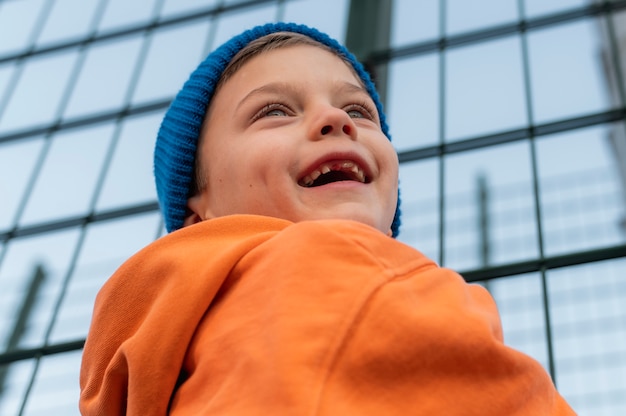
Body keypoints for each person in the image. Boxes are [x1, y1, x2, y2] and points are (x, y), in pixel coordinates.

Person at [79, 22, 576, 415]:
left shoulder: (148, 360)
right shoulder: (340, 270)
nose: (335, 120)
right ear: (196, 214)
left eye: (359, 111)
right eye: (274, 111)